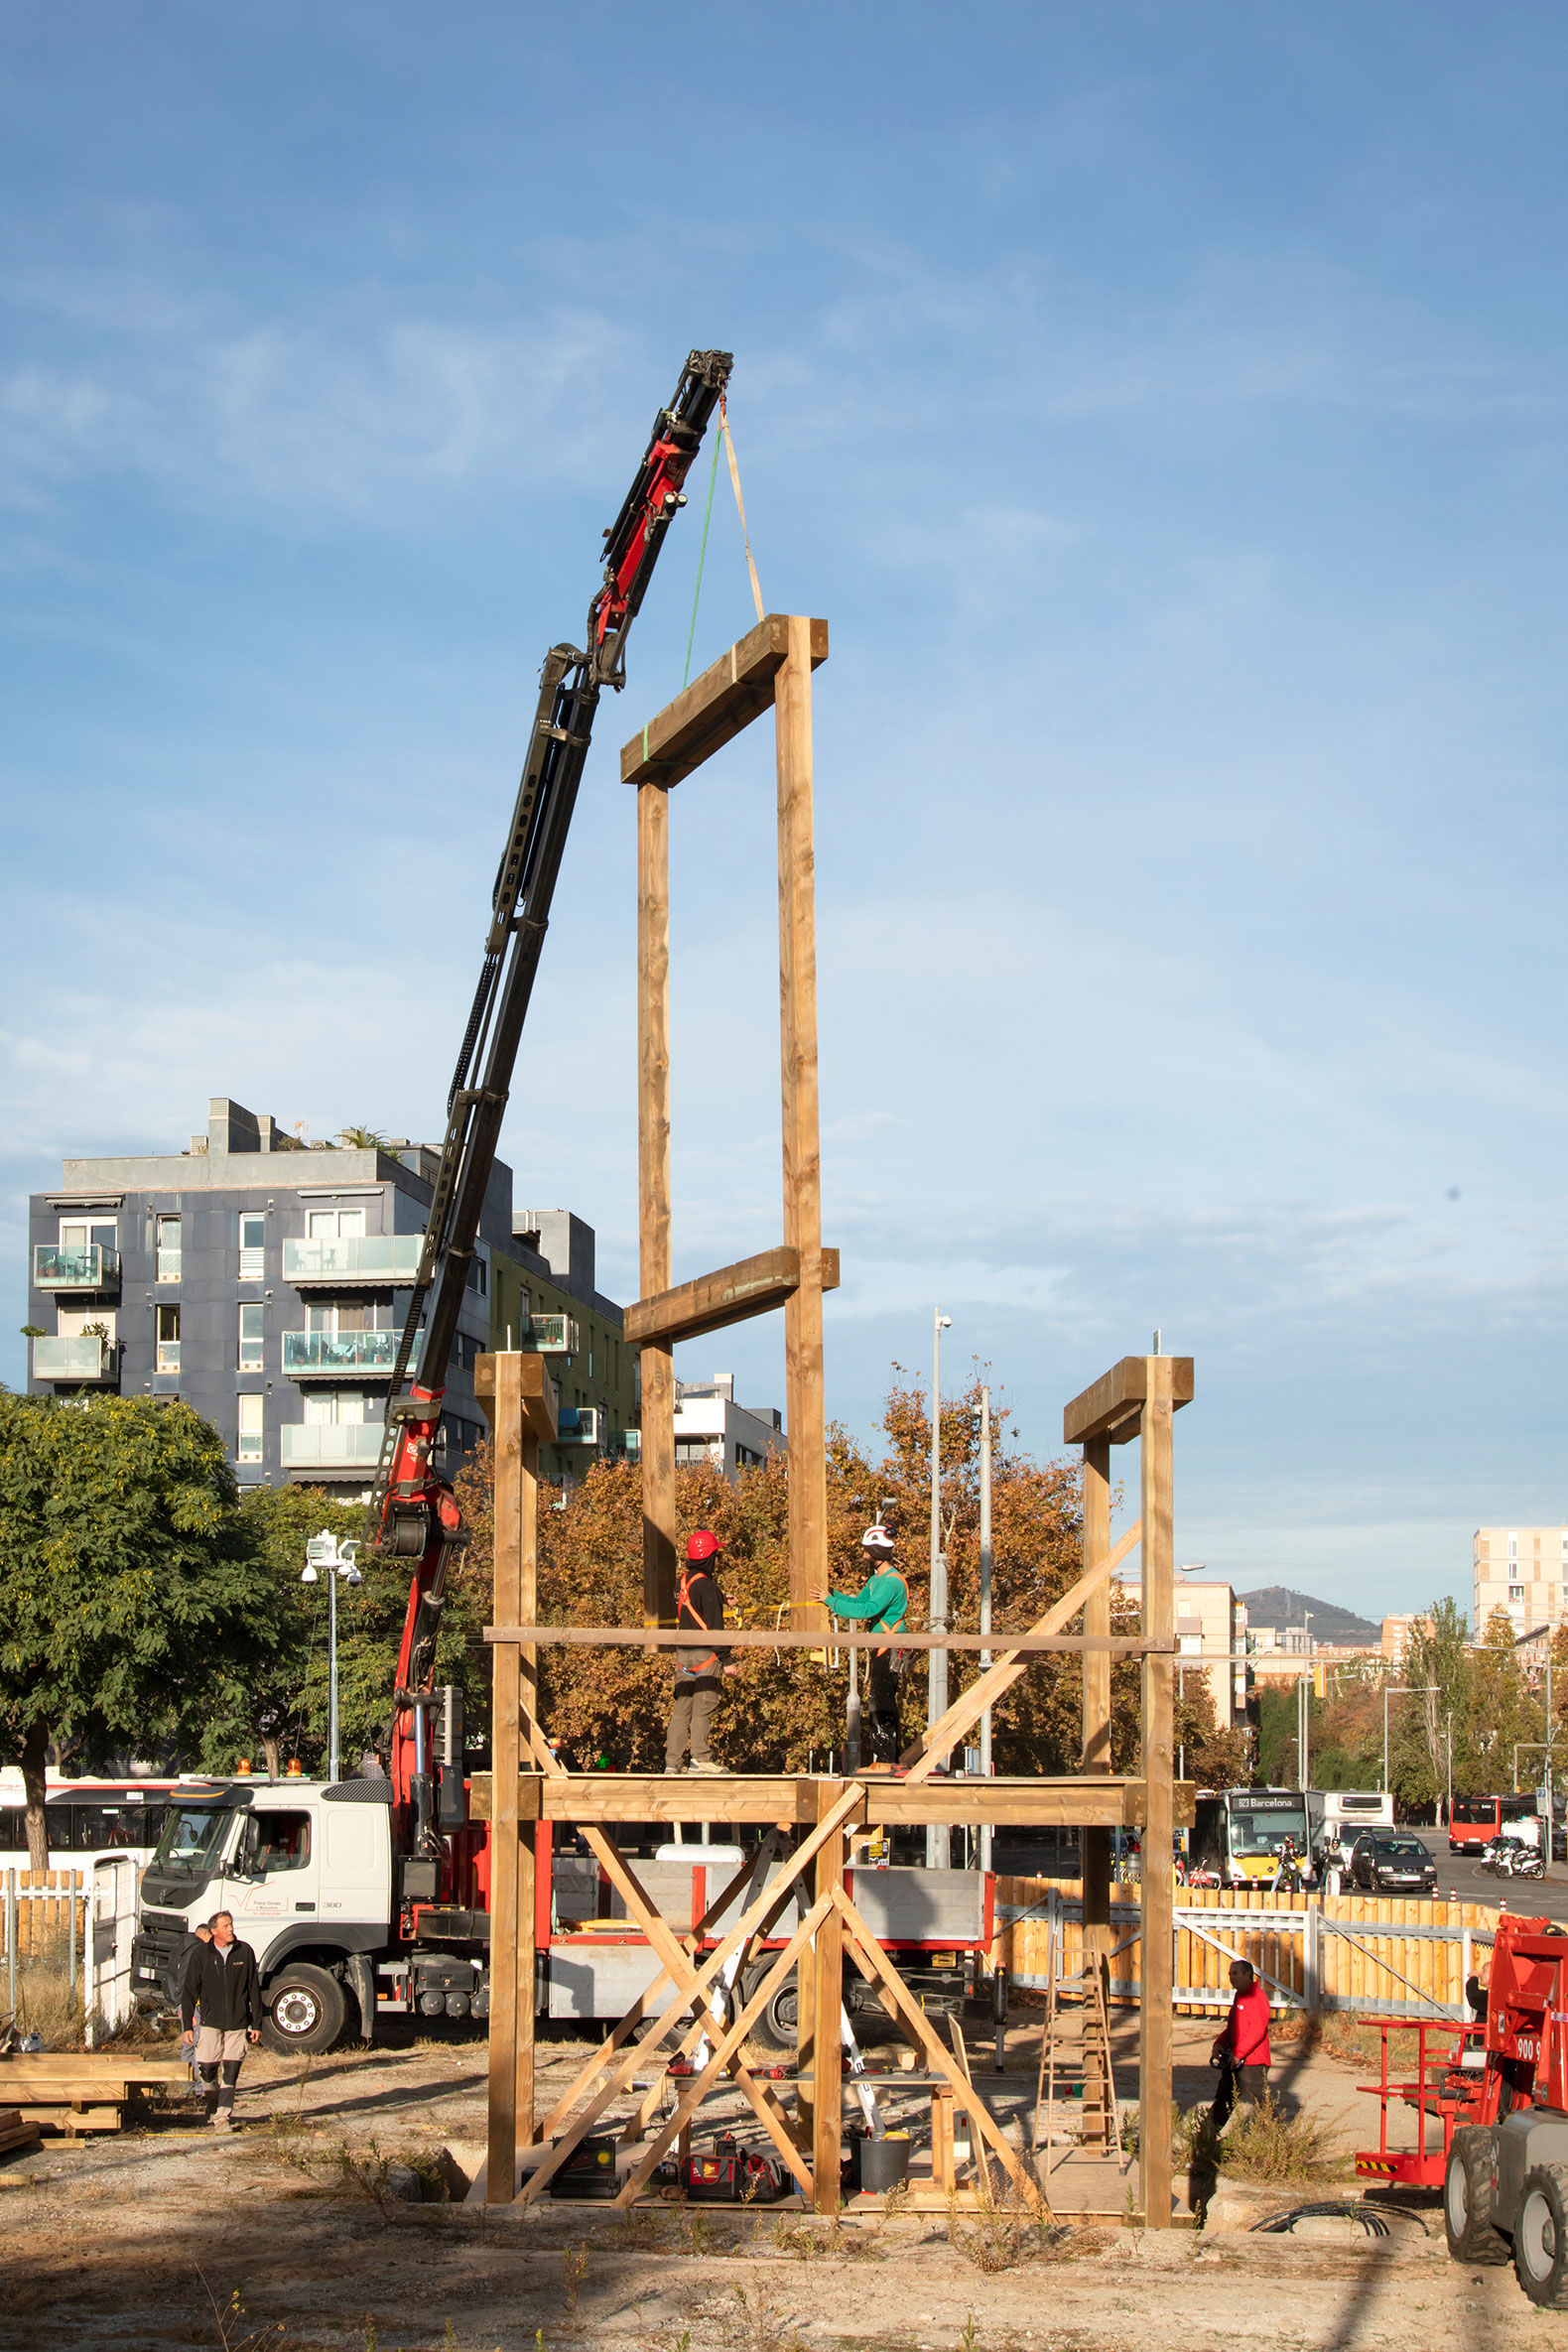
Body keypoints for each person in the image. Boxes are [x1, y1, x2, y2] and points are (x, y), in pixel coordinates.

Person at [811, 1524, 909, 1767]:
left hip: (890, 1647)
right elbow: (860, 1600)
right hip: (882, 1647)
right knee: (879, 1699)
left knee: (882, 1702)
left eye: (867, 1551)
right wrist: (832, 1595)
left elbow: (866, 1610)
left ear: (876, 1551)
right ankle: (887, 1757)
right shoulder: (878, 1580)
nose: (864, 1555)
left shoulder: (890, 1583)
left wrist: (830, 1601)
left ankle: (886, 1759)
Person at [665, 1531, 739, 1775]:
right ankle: (700, 1759)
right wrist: (727, 1661)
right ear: (709, 1558)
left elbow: (692, 1607)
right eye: (716, 1554)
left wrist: (720, 1597)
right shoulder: (708, 1587)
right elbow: (715, 1628)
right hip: (705, 1655)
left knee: (681, 1709)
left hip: (684, 1656)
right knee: (703, 1709)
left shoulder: (682, 1582)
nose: (718, 1559)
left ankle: (672, 1763)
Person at [181, 1909, 263, 2131]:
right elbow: (189, 1991)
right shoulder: (201, 1955)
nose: (231, 1929)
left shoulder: (244, 1952)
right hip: (209, 2021)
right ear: (214, 1931)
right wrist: (187, 2025)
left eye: (231, 1925)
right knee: (207, 2070)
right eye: (225, 1926)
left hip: (238, 2022)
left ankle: (222, 2118)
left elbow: (253, 1988)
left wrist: (257, 2024)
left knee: (231, 2071)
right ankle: (212, 2099)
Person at [1208, 1959, 1270, 2131]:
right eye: (1230, 1974)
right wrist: (1219, 2044)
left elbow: (1257, 2030)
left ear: (1247, 1974)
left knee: (1254, 2103)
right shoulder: (1240, 1996)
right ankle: (1207, 2136)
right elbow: (1232, 2028)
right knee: (1224, 2098)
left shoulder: (1256, 1996)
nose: (1231, 1978)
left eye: (1235, 1973)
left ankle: (1262, 2140)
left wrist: (1239, 2053)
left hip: (1252, 2062)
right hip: (1234, 2059)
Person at [175, 1919, 213, 2098]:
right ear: (205, 1935)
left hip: (184, 2003)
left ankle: (190, 2086)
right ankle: (194, 2088)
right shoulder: (198, 1951)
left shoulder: (185, 1949)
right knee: (194, 2043)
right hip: (192, 2004)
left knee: (190, 2043)